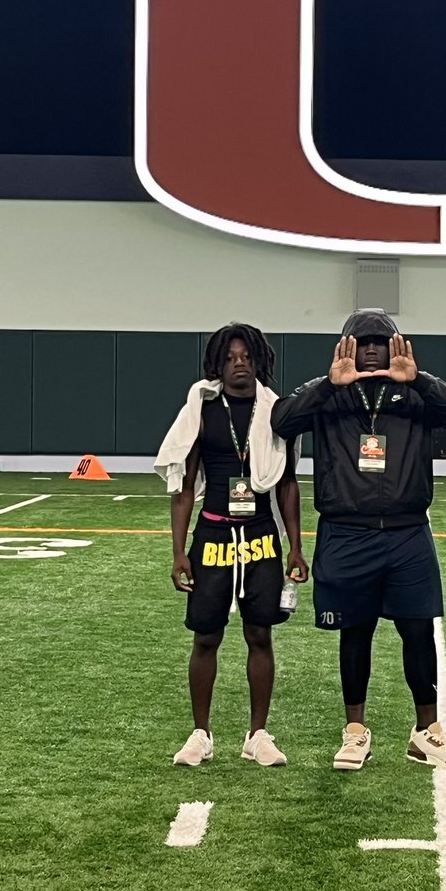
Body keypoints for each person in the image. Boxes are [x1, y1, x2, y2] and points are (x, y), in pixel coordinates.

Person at [271, 309, 446, 772]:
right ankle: (355, 731)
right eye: (360, 340)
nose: (369, 348)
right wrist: (329, 384)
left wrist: (418, 379)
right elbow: (282, 421)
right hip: (346, 532)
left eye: (378, 341)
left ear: (394, 346)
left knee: (418, 628)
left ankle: (427, 732)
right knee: (355, 630)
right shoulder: (327, 392)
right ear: (345, 346)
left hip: (407, 532)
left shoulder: (414, 389)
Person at [155, 323, 308, 768]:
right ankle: (200, 734)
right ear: (217, 364)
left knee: (260, 633)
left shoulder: (277, 411)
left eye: (246, 356)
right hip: (214, 535)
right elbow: (184, 486)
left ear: (260, 361)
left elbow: (288, 482)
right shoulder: (201, 408)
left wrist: (296, 546)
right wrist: (178, 551)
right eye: (230, 357)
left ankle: (258, 734)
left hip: (260, 535)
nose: (238, 363)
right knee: (207, 635)